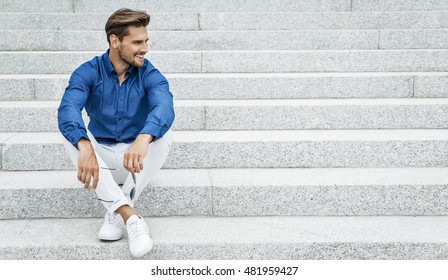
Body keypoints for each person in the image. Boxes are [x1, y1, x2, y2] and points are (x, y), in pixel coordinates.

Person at [57, 8, 175, 258]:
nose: (145, 48)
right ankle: (130, 216)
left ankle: (114, 210)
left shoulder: (149, 73)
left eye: (146, 41)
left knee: (164, 132)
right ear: (115, 41)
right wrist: (85, 146)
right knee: (73, 137)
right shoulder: (88, 72)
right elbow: (68, 109)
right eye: (137, 42)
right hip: (101, 158)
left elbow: (164, 106)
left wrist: (143, 138)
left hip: (136, 160)